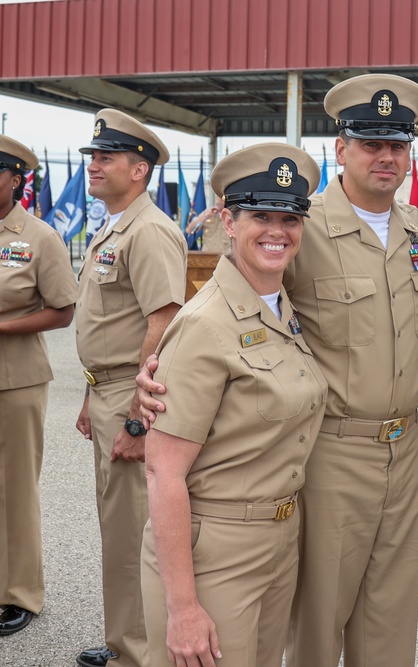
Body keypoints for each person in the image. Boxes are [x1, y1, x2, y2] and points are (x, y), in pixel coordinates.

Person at [136, 74, 418, 667]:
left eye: (398, 145)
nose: (386, 158)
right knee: (315, 623)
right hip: (329, 450)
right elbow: (231, 301)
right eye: (369, 143)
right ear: (341, 149)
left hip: (405, 449)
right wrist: (158, 369)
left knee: (391, 619)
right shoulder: (303, 231)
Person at [140, 144, 327, 667]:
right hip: (215, 552)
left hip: (277, 540)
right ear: (227, 218)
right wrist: (182, 607)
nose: (277, 231)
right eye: (259, 216)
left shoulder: (279, 303)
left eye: (289, 218)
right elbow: (162, 472)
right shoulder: (204, 323)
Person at [74, 109, 188, 667]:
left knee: (135, 532)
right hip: (109, 392)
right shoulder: (115, 223)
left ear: (139, 169)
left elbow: (165, 323)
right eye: (92, 157)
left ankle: (141, 653)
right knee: (117, 527)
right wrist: (90, 394)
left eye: (105, 158)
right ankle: (126, 644)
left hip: (131, 399)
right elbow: (109, 323)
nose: (93, 166)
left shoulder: (149, 231)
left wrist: (139, 419)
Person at [0, 136, 76, 637]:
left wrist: (3, 326)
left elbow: (63, 309)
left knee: (13, 489)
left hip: (14, 381)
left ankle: (18, 592)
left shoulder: (38, 236)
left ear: (14, 179)